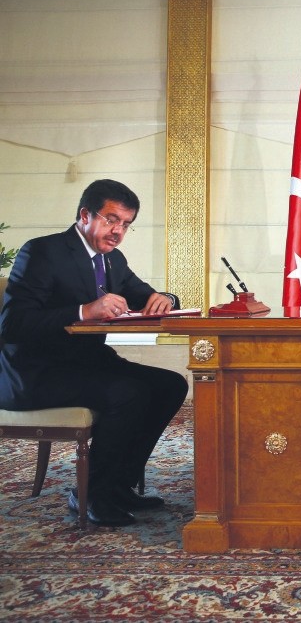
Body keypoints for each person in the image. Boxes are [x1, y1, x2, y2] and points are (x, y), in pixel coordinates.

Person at [0, 179, 188, 527]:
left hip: (85, 364)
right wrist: (85, 311)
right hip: (35, 372)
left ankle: (118, 485)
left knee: (171, 384)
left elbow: (144, 295)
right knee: (128, 393)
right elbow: (13, 325)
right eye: (111, 219)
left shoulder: (113, 259)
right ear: (85, 215)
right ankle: (93, 497)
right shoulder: (43, 252)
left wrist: (167, 299)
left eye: (126, 224)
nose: (118, 231)